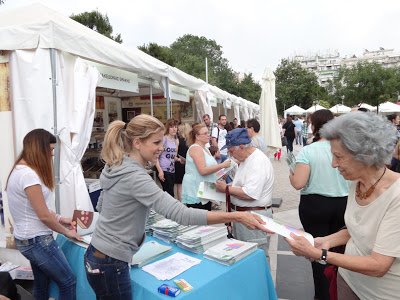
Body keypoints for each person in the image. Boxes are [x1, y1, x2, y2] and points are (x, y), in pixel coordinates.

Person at [84, 116, 271, 299]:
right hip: (111, 260)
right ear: (137, 143)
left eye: (162, 141)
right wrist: (236, 217)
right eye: (156, 142)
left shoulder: (117, 165)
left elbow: (102, 205)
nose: (161, 148)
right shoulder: (135, 176)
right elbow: (181, 214)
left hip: (99, 252)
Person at [286, 111, 400, 300]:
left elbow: (379, 266)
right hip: (349, 281)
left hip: (380, 294)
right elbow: (359, 228)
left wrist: (320, 254)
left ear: (366, 155)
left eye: (339, 156)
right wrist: (328, 241)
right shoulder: (357, 182)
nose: (333, 164)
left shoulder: (395, 195)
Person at [6, 129, 82, 300]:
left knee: (41, 283)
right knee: (68, 281)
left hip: (27, 239)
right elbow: (43, 216)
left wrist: (61, 219)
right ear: (38, 150)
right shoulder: (28, 175)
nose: (52, 154)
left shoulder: (19, 170)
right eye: (50, 150)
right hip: (37, 241)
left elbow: (40, 209)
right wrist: (66, 231)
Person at [289, 109, 350, 300]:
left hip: (315, 205)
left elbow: (298, 183)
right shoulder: (344, 148)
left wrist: (290, 174)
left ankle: (322, 295)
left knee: (316, 253)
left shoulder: (309, 150)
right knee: (341, 251)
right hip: (343, 203)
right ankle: (339, 290)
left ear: (314, 126)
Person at [215, 128, 275, 259]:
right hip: (245, 216)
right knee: (247, 257)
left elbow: (250, 194)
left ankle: (260, 280)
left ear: (241, 147)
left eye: (231, 151)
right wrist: (229, 186)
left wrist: (225, 188)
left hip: (253, 216)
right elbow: (244, 185)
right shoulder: (247, 159)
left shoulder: (257, 161)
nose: (231, 156)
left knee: (255, 257)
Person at [182, 124, 231, 211]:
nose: (208, 135)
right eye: (205, 133)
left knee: (205, 218)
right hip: (196, 189)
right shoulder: (196, 148)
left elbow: (210, 168)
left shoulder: (205, 148)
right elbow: (203, 170)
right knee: (199, 219)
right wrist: (222, 165)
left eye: (208, 133)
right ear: (197, 136)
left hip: (205, 190)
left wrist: (220, 174)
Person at [155, 118, 182, 197]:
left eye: (176, 127)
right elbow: (156, 156)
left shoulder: (176, 141)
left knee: (168, 193)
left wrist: (179, 159)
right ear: (168, 128)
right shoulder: (163, 139)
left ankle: (164, 208)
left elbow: (174, 157)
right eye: (172, 127)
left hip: (172, 170)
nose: (174, 129)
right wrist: (160, 171)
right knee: (170, 193)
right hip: (163, 168)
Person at [175, 123, 191, 202]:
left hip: (180, 164)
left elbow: (175, 154)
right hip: (189, 164)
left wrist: (177, 159)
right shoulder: (191, 142)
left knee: (180, 185)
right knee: (188, 184)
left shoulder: (178, 140)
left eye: (179, 130)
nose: (177, 131)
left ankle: (181, 203)